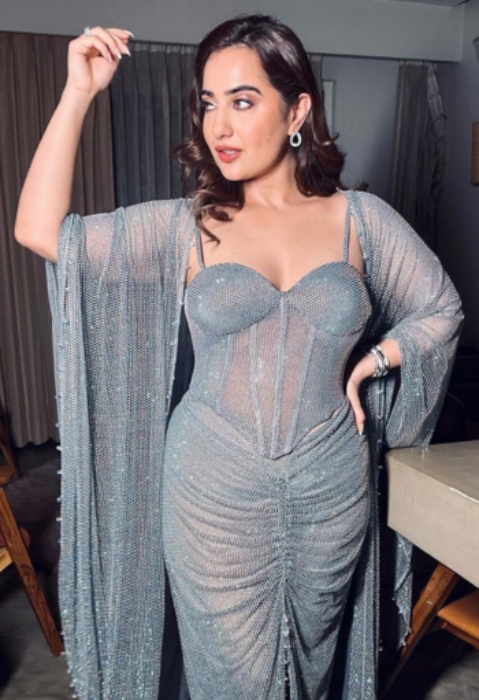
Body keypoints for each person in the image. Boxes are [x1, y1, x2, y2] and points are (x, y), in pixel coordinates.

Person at [14, 15, 462, 700]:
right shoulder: (186, 226)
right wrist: (79, 93)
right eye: (207, 103)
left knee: (313, 667)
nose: (218, 125)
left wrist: (374, 361)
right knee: (229, 678)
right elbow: (40, 229)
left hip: (329, 492)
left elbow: (441, 308)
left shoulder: (361, 221)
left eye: (242, 101)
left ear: (297, 111)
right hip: (211, 493)